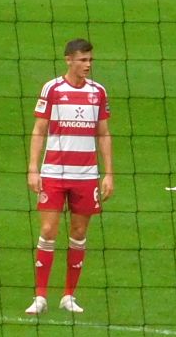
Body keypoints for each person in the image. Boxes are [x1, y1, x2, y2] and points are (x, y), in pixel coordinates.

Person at [25, 39, 113, 316]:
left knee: (79, 233)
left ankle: (68, 296)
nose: (87, 65)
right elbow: (39, 129)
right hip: (53, 173)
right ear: (68, 60)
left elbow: (103, 133)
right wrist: (33, 168)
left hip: (86, 176)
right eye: (82, 60)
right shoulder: (52, 89)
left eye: (90, 60)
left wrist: (108, 173)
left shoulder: (98, 92)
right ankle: (40, 297)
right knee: (49, 231)